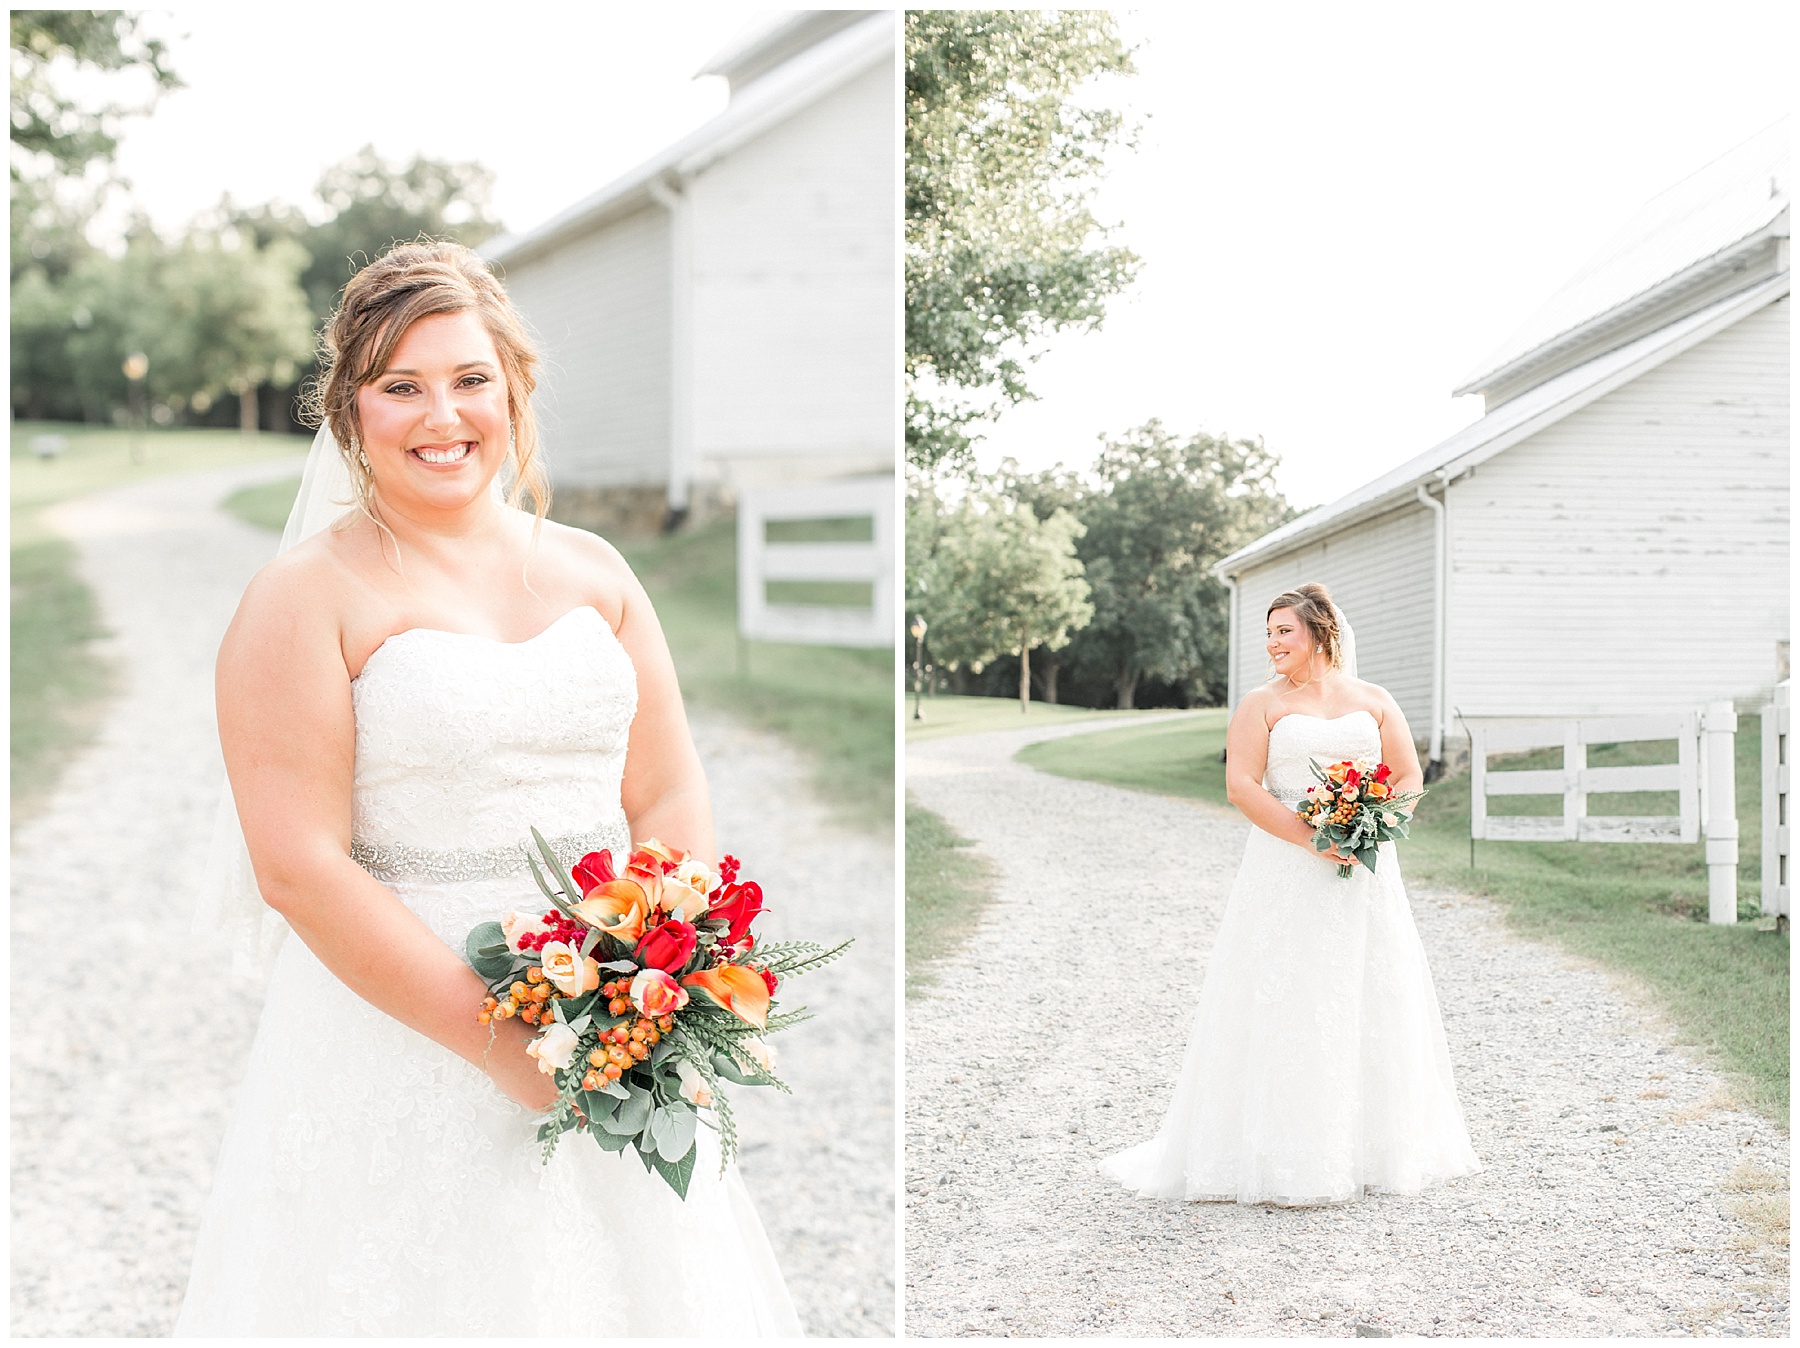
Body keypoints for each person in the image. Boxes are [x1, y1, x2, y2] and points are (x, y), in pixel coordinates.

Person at [175, 242, 800, 1335]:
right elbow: (300, 866)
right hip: (400, 1035)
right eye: (400, 386)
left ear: (514, 386)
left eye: (470, 380)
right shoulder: (300, 598)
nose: (442, 415)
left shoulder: (599, 571)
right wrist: (502, 1042)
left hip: (615, 1014)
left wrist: (671, 964)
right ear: (348, 411)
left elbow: (665, 788)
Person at [1100, 582, 1480, 1206]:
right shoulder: (1261, 704)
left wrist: (1375, 821)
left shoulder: (1375, 700)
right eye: (1269, 633)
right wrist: (1312, 838)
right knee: (1289, 991)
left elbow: (1409, 774)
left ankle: (1372, 1147)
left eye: (1285, 632)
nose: (1273, 643)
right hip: (1285, 869)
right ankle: (1282, 1154)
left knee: (1365, 989)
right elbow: (1242, 786)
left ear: (1321, 633)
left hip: (1364, 871)